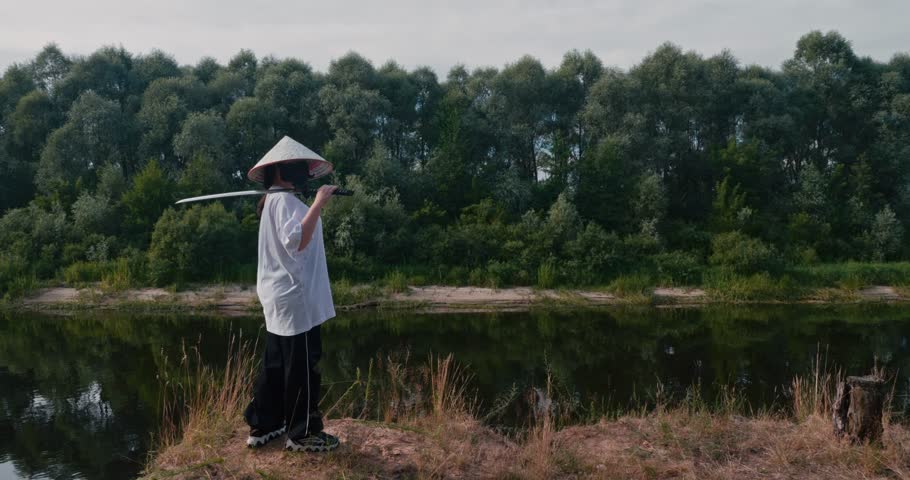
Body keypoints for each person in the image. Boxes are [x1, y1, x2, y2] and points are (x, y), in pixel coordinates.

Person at [243, 136, 341, 452]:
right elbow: (296, 240)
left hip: (279, 296)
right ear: (284, 169)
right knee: (302, 366)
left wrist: (311, 204)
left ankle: (264, 424)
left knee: (275, 364)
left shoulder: (275, 199)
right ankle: (303, 433)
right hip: (295, 298)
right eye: (301, 167)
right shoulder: (284, 201)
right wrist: (318, 203)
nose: (307, 174)